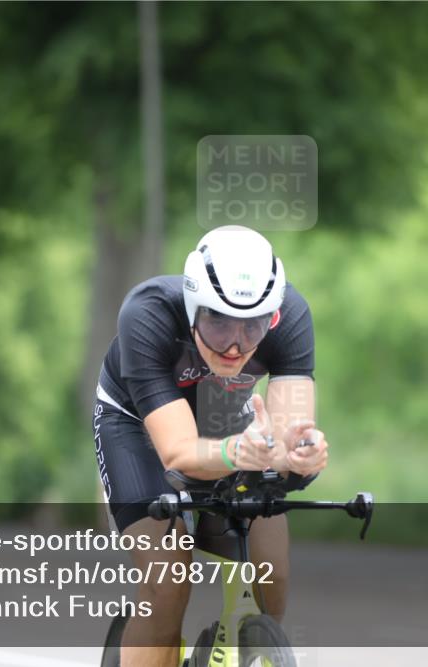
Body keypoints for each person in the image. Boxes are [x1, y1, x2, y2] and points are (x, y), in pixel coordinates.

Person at [92, 224, 329, 667]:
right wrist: (240, 453)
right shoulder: (148, 314)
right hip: (138, 427)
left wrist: (302, 454)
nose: (236, 344)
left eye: (254, 326)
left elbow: (290, 431)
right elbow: (178, 454)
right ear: (193, 307)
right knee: (168, 582)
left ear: (273, 316)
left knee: (271, 576)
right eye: (218, 322)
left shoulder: (291, 315)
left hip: (228, 423)